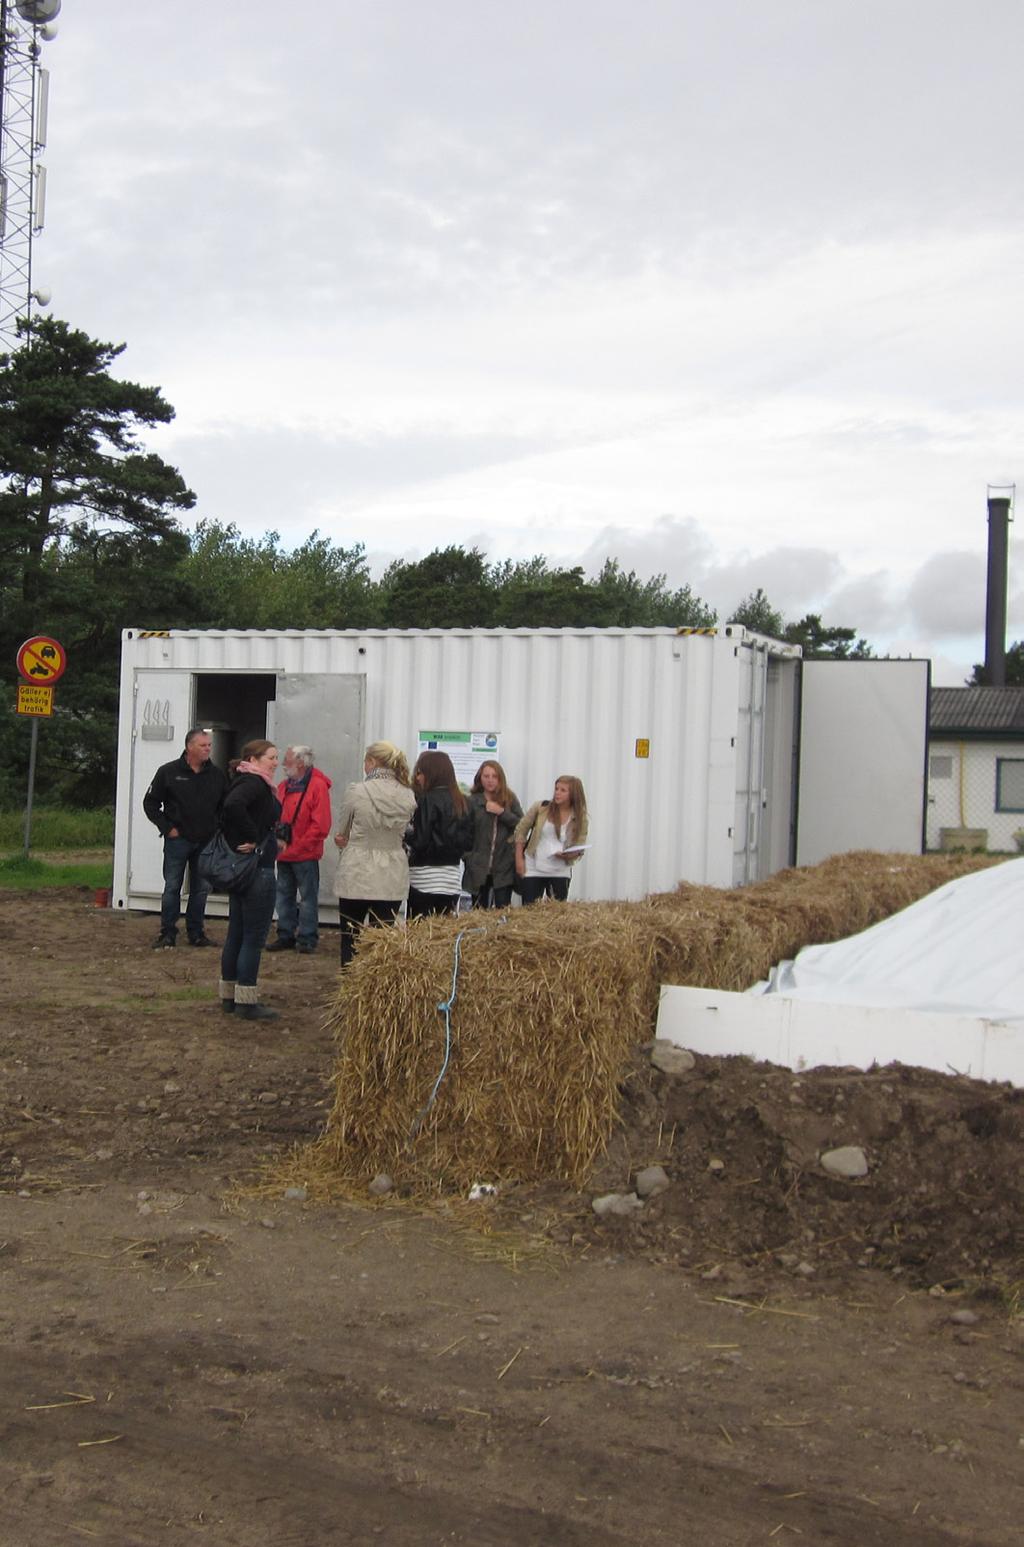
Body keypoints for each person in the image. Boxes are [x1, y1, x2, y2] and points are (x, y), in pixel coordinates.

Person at [334, 741, 417, 967]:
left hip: (357, 869)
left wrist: (343, 840)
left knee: (350, 936)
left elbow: (341, 833)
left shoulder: (356, 791)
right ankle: (375, 989)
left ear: (371, 762)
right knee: (383, 938)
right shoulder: (408, 795)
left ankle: (349, 985)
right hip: (392, 869)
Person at [143, 727, 227, 949]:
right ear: (190, 747)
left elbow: (226, 806)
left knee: (201, 889)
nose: (208, 749)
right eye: (203, 745)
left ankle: (196, 933)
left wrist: (218, 829)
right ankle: (168, 933)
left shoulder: (217, 775)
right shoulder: (168, 772)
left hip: (206, 842)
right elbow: (150, 803)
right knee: (172, 886)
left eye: (209, 745)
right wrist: (167, 827)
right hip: (178, 841)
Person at [218, 740, 282, 1020]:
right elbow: (232, 807)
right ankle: (246, 1000)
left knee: (237, 932)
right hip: (257, 870)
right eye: (271, 757)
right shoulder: (255, 783)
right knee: (253, 938)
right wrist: (253, 838)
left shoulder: (244, 780)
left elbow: (229, 808)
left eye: (277, 757)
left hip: (243, 868)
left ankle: (229, 996)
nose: (275, 762)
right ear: (253, 759)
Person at [266, 744, 333, 956]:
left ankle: (306, 938)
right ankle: (286, 934)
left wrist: (298, 844)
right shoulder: (285, 786)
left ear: (301, 763)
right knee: (284, 895)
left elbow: (321, 825)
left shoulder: (317, 787)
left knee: (306, 898)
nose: (283, 764)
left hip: (303, 854)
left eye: (287, 760)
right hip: (286, 852)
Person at [406, 750, 473, 917]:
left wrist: (405, 833)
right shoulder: (463, 801)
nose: (418, 777)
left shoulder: (427, 799)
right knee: (441, 934)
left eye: (420, 772)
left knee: (418, 934)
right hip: (451, 878)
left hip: (424, 878)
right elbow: (468, 843)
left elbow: (420, 841)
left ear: (430, 773)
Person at [514, 775, 589, 904]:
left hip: (560, 871)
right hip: (534, 867)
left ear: (574, 794)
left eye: (563, 790)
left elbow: (580, 846)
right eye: (556, 789)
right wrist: (519, 859)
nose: (557, 793)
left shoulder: (580, 817)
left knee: (556, 912)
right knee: (529, 910)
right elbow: (520, 831)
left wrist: (568, 855)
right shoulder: (541, 808)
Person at [462, 760, 523, 909]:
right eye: (486, 776)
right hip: (478, 865)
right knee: (479, 911)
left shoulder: (510, 799)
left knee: (502, 909)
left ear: (500, 778)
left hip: (503, 865)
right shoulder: (472, 801)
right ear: (480, 778)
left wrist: (501, 812)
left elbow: (522, 825)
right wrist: (468, 857)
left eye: (494, 776)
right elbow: (464, 832)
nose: (490, 780)